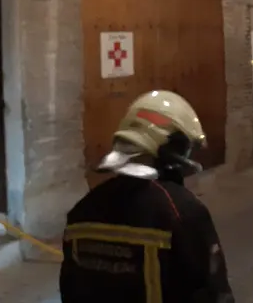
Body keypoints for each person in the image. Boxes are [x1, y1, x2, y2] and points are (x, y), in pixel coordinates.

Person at [59, 90, 234, 303]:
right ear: (173, 147)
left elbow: (69, 291)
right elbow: (213, 294)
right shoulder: (182, 212)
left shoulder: (80, 213)